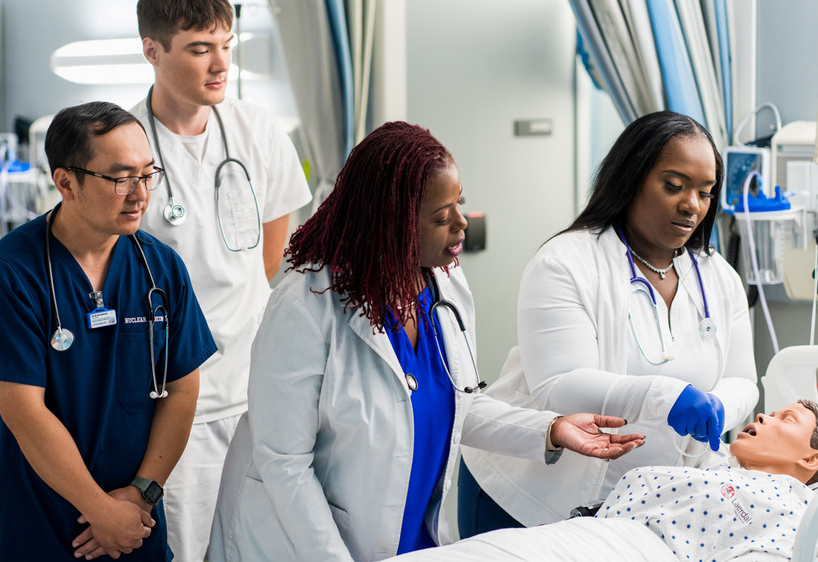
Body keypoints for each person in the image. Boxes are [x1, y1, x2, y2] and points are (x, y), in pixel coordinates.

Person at [210, 121, 645, 561]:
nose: (460, 224)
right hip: (302, 543)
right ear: (390, 224)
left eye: (460, 205)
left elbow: (459, 405)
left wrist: (551, 429)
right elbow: (283, 462)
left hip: (409, 536)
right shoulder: (306, 305)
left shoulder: (444, 284)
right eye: (441, 217)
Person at [460, 110, 760, 535]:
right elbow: (559, 387)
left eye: (705, 192)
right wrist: (663, 396)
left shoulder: (717, 276)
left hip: (642, 505)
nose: (692, 205)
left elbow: (744, 380)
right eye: (674, 185)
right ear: (632, 178)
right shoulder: (566, 263)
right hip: (531, 492)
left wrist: (718, 407)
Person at [0, 101, 217, 561]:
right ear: (65, 182)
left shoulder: (160, 268)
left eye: (147, 174)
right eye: (120, 178)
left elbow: (181, 392)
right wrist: (98, 509)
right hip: (37, 530)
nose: (140, 193)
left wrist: (140, 496)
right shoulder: (8, 275)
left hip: (133, 526)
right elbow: (26, 414)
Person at [129, 1, 312, 557]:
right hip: (175, 403)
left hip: (260, 389)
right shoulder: (123, 142)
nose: (220, 64)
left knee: (266, 544)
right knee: (187, 546)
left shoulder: (257, 128)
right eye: (200, 48)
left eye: (227, 46)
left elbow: (272, 248)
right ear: (152, 51)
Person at [394, 399, 818, 562]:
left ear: (812, 459)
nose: (763, 415)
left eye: (785, 418)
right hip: (586, 536)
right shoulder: (715, 473)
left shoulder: (794, 509)